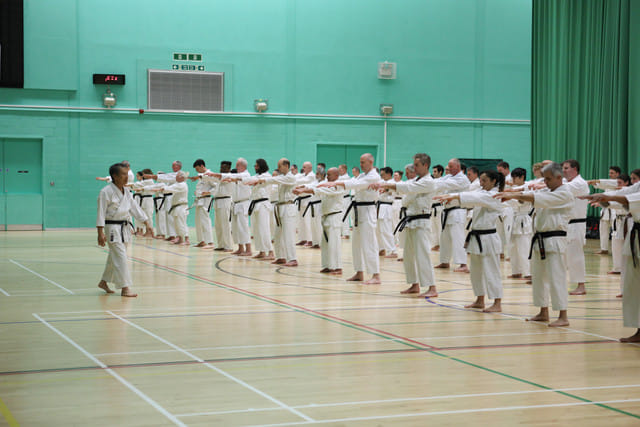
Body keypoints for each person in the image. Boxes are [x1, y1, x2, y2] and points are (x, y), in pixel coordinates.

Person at [496, 162, 574, 327]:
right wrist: (510, 193)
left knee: (556, 278)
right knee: (538, 278)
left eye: (548, 179)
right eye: (544, 179)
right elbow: (529, 192)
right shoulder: (547, 190)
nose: (545, 182)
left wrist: (511, 195)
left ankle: (563, 315)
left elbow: (534, 198)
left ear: (559, 177)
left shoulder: (565, 193)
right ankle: (543, 311)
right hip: (539, 239)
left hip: (555, 240)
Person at [372, 153, 439, 296]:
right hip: (410, 220)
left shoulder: (428, 181)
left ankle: (432, 287)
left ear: (425, 165)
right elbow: (406, 189)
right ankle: (414, 284)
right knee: (408, 256)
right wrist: (388, 187)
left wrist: (386, 184)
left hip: (421, 222)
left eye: (417, 165)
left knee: (423, 255)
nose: (414, 168)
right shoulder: (416, 180)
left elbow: (408, 187)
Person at [436, 170, 505, 311]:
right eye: (481, 180)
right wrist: (453, 198)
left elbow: (474, 197)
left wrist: (454, 195)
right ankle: (479, 299)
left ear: (493, 182)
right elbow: (471, 197)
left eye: (484, 180)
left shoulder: (494, 195)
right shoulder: (482, 192)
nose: (481, 183)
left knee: (491, 271)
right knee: (476, 271)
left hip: (489, 238)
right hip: (476, 237)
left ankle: (497, 302)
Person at [580, 191, 640, 342]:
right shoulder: (635, 188)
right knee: (634, 284)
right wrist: (605, 198)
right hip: (634, 233)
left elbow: (629, 197)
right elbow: (626, 193)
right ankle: (639, 329)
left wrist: (608, 197)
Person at [320, 153, 381, 284]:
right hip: (358, 210)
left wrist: (336, 183)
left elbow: (355, 184)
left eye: (363, 162)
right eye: (360, 162)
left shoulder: (374, 176)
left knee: (369, 244)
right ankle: (359, 272)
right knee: (356, 244)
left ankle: (376, 275)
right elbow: (355, 182)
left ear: (371, 162)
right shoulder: (362, 175)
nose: (361, 164)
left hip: (368, 210)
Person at [97, 162, 153, 297]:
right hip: (112, 228)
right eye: (123, 174)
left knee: (115, 256)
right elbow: (100, 213)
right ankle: (125, 288)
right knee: (121, 257)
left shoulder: (127, 191)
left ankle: (104, 281)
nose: (126, 177)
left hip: (125, 228)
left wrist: (147, 223)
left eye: (127, 174)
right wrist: (100, 233)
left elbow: (135, 208)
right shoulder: (105, 192)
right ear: (115, 176)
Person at [294, 167, 346, 274]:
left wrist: (304, 190)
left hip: (334, 216)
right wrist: (303, 187)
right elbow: (316, 185)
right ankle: (327, 265)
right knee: (325, 243)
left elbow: (320, 190)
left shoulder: (339, 186)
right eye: (327, 174)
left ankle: (338, 267)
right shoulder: (326, 183)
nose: (327, 176)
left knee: (334, 242)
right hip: (326, 215)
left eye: (329, 175)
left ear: (336, 176)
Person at [249, 158, 298, 267]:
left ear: (286, 166)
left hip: (288, 207)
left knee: (288, 235)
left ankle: (293, 259)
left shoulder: (290, 177)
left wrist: (262, 180)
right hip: (280, 207)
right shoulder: (282, 178)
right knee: (277, 234)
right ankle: (281, 257)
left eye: (280, 166)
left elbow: (275, 180)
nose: (278, 168)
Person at [434, 158, 471, 272]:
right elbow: (439, 181)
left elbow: (443, 184)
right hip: (447, 211)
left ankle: (463, 264)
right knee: (444, 238)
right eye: (448, 167)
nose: (449, 169)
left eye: (451, 167)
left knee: (458, 238)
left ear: (458, 167)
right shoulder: (449, 177)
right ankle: (444, 261)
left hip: (457, 211)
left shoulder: (462, 179)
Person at [212, 158, 252, 256]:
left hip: (243, 204)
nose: (236, 167)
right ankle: (240, 248)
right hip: (235, 204)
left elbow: (235, 176)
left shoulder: (246, 175)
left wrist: (218, 175)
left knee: (243, 227)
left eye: (237, 165)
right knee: (236, 228)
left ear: (242, 166)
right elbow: (234, 177)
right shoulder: (237, 176)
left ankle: (248, 249)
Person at [562, 159, 590, 296]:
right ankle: (561, 283)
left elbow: (560, 187)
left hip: (576, 224)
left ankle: (581, 285)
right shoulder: (567, 182)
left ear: (575, 169)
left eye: (566, 168)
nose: (564, 170)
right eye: (563, 168)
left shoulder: (579, 183)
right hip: (566, 224)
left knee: (575, 256)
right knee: (564, 257)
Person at [144, 161, 182, 241]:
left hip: (172, 197)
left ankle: (176, 235)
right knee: (168, 216)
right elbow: (166, 177)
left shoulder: (179, 175)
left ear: (178, 166)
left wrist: (152, 176)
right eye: (172, 166)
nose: (172, 167)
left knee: (172, 217)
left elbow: (166, 177)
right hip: (167, 197)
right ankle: (171, 235)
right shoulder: (172, 174)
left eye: (174, 166)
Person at [589, 166, 622, 255]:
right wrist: (599, 203)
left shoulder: (618, 183)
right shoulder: (608, 185)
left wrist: (593, 181)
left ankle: (618, 250)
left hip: (615, 211)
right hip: (606, 211)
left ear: (617, 174)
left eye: (612, 173)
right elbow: (605, 193)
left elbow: (606, 184)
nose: (610, 174)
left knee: (616, 231)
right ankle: (604, 249)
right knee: (603, 230)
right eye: (609, 173)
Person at [508, 167, 533, 279]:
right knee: (512, 248)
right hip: (513, 219)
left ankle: (528, 273)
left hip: (523, 218)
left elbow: (522, 201)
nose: (513, 180)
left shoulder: (527, 188)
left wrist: (511, 195)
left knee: (524, 247)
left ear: (522, 177)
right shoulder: (512, 189)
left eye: (515, 177)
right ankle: (516, 271)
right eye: (512, 177)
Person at [154, 170, 190, 245]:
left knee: (181, 223)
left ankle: (186, 240)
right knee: (177, 224)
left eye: (177, 176)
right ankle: (180, 239)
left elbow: (170, 188)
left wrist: (162, 189)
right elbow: (169, 189)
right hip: (177, 207)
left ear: (181, 177)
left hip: (181, 207)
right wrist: (162, 189)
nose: (175, 177)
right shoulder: (178, 184)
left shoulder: (182, 185)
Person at [248, 158, 275, 259]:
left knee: (264, 229)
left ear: (261, 166)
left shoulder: (267, 176)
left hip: (263, 204)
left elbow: (253, 181)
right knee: (256, 229)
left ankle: (271, 252)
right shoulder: (256, 176)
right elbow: (250, 179)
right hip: (255, 204)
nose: (255, 167)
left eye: (256, 165)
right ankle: (262, 251)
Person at [207, 161, 234, 252]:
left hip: (225, 201)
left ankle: (228, 246)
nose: (221, 169)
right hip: (217, 201)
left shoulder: (230, 176)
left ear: (229, 169)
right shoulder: (219, 178)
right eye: (221, 167)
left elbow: (219, 178)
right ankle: (221, 244)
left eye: (224, 168)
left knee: (225, 224)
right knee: (218, 225)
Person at [190, 159, 215, 248]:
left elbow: (216, 186)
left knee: (205, 220)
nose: (197, 171)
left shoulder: (210, 174)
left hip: (206, 200)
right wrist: (197, 192)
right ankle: (202, 241)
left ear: (202, 166)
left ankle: (210, 242)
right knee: (198, 221)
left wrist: (208, 192)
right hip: (199, 200)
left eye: (197, 169)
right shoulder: (201, 176)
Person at [376, 167, 396, 257]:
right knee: (378, 230)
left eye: (383, 174)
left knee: (386, 230)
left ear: (388, 174)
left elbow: (392, 189)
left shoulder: (393, 183)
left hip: (386, 207)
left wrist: (385, 188)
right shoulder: (382, 182)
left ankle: (392, 251)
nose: (381, 176)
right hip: (379, 206)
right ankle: (381, 248)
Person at [295, 162, 315, 246]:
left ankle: (310, 240)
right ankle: (302, 239)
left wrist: (297, 184)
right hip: (301, 200)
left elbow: (303, 182)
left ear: (310, 168)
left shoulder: (312, 176)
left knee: (307, 221)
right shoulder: (302, 175)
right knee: (301, 221)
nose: (303, 168)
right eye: (303, 167)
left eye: (305, 167)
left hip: (308, 200)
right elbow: (297, 179)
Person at [338, 164, 352, 238]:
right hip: (340, 199)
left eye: (340, 169)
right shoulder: (340, 178)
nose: (339, 171)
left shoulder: (347, 178)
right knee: (340, 216)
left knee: (344, 216)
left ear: (344, 170)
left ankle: (346, 234)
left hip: (345, 198)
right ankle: (340, 232)